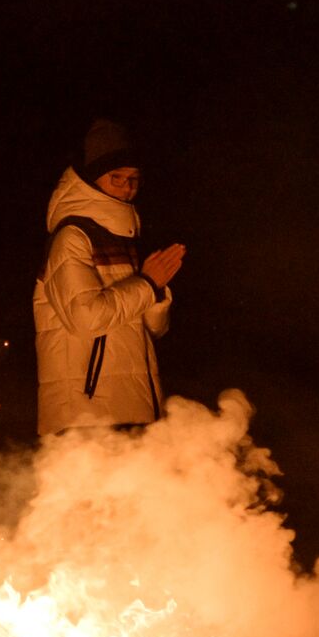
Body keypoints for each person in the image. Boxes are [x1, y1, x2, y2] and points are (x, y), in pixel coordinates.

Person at [33, 119, 185, 435]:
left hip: (133, 409)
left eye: (134, 179)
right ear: (92, 179)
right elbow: (86, 319)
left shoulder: (125, 238)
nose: (128, 187)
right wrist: (145, 284)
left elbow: (150, 330)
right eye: (117, 178)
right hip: (86, 418)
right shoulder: (72, 237)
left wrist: (155, 292)